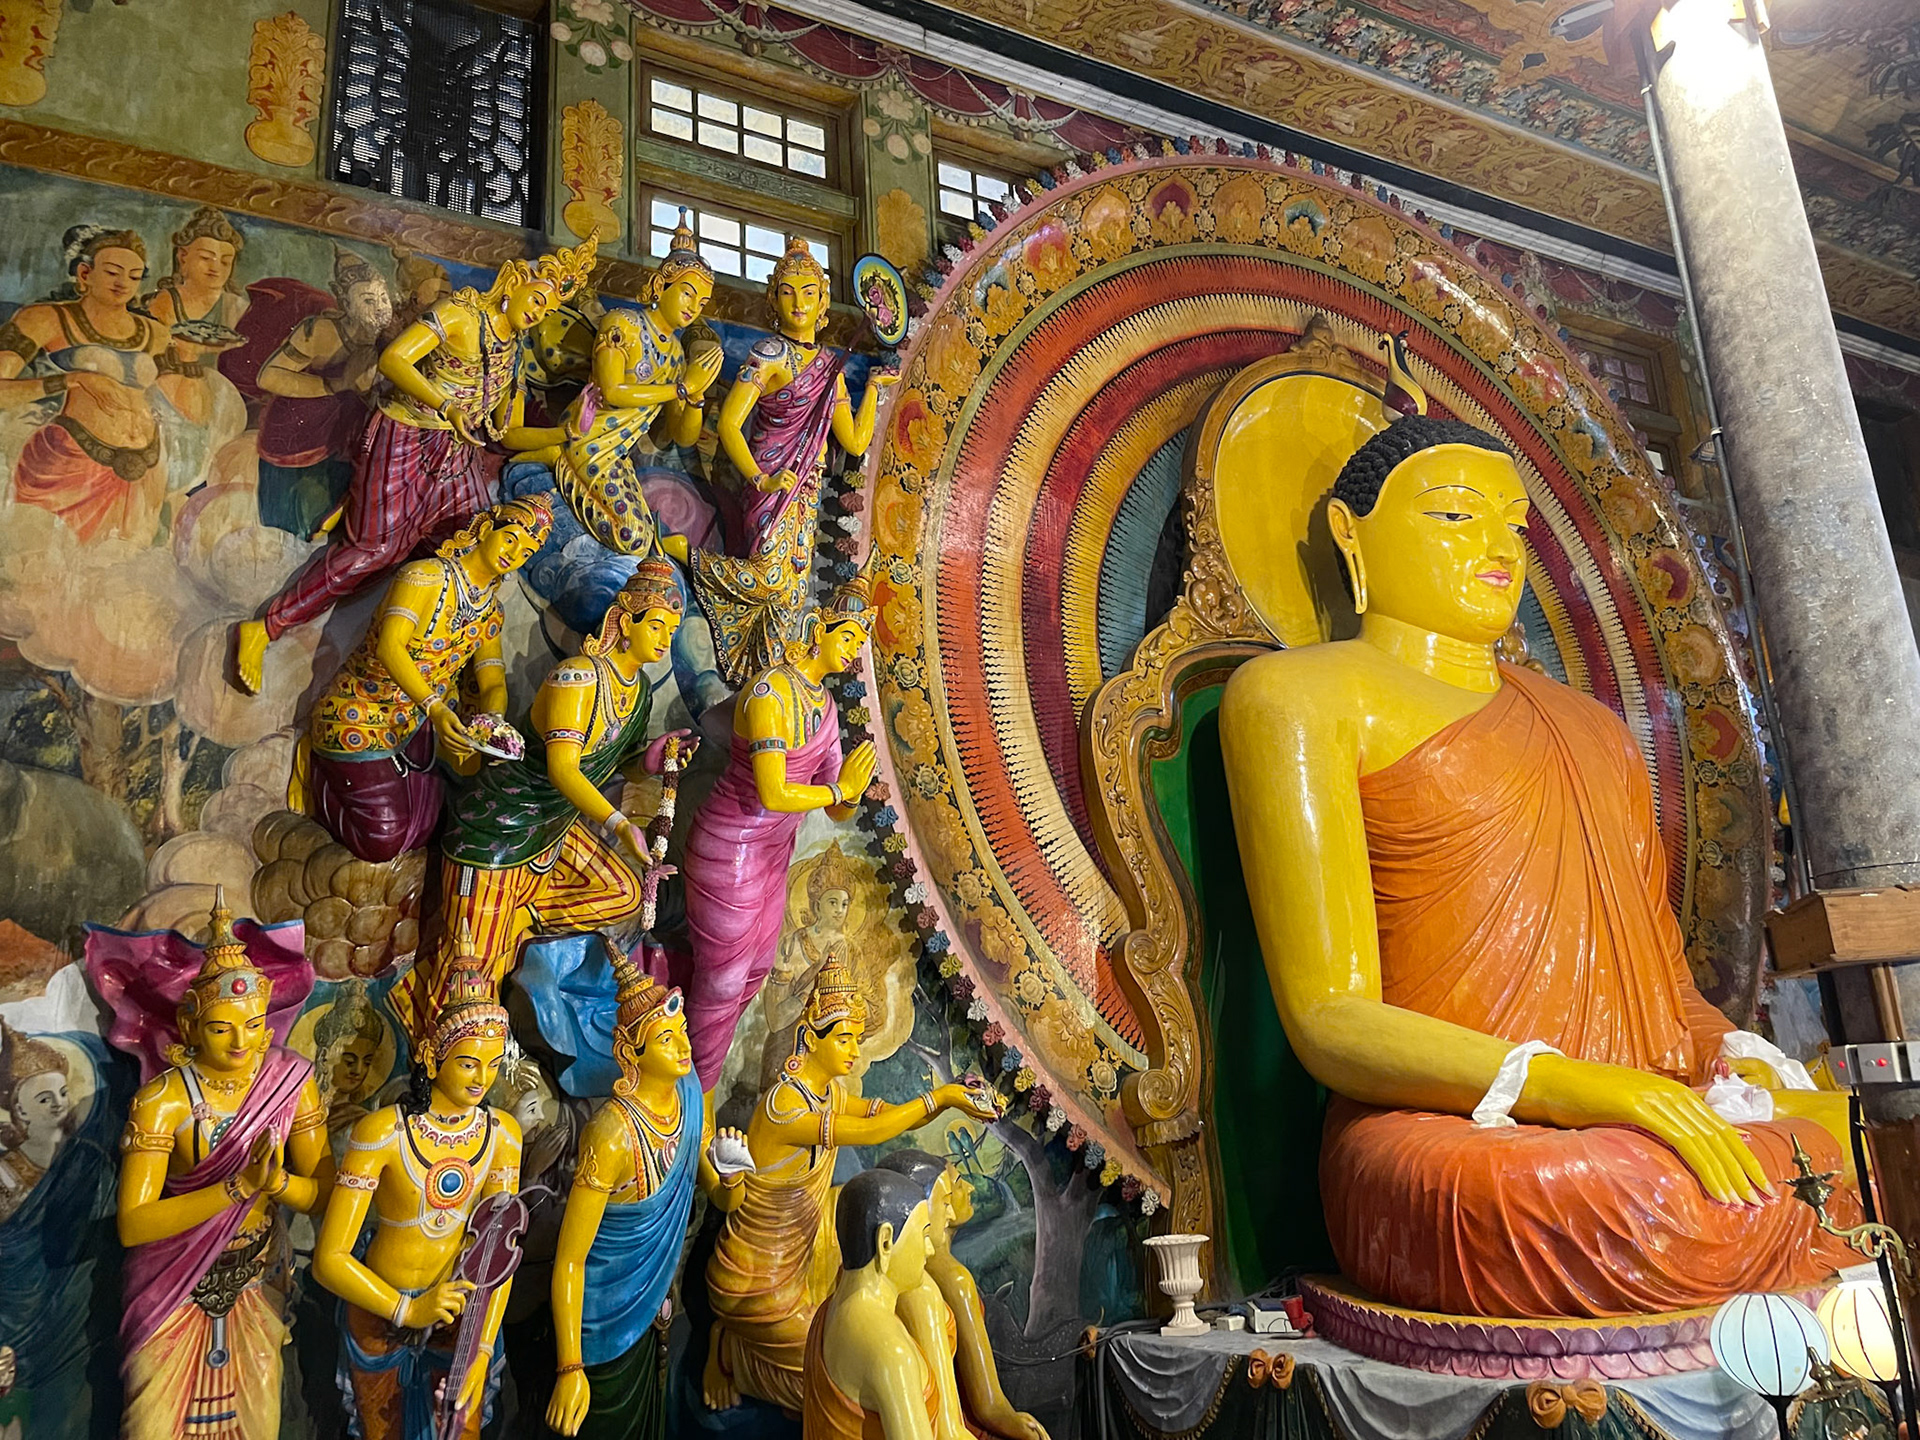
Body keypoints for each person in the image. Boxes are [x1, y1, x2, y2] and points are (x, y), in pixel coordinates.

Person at [1216, 413, 1860, 1318]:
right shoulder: (1300, 698)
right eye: (1453, 517)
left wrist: (1739, 1060)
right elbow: (1330, 1018)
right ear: (1349, 536)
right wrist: (1569, 1087)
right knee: (1610, 1194)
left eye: (1514, 525)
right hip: (1452, 1137)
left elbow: (1664, 984)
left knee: (1825, 1158)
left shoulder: (1595, 730)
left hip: (1638, 1113)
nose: (1497, 546)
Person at [235, 233, 597, 694]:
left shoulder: (514, 352)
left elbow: (507, 433)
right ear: (514, 282)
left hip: (456, 454)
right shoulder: (460, 315)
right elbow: (394, 360)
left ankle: (458, 685)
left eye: (547, 311)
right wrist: (447, 408)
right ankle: (266, 626)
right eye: (538, 298)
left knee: (470, 556)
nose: (537, 312)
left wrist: (565, 434)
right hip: (402, 435)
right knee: (374, 552)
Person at [396, 557, 690, 1037]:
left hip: (553, 828)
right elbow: (563, 769)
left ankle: (517, 921)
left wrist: (652, 760)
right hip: (499, 829)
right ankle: (431, 1065)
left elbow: (610, 764)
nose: (663, 638)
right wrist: (619, 824)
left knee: (622, 893)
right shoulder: (577, 678)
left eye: (671, 630)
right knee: (471, 973)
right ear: (624, 620)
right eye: (655, 624)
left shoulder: (638, 695)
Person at [703, 957, 997, 1414]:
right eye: (843, 1038)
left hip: (803, 1262)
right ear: (809, 1038)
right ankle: (730, 1354)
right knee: (834, 1387)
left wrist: (950, 1098)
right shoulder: (784, 1106)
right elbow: (869, 1134)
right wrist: (940, 1098)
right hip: (755, 1282)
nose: (853, 1051)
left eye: (857, 1040)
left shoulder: (828, 1093)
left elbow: (876, 1114)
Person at [114, 892, 333, 1440]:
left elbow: (326, 1195)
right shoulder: (163, 1101)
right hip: (170, 1285)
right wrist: (238, 1188)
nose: (243, 1042)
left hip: (256, 1276)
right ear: (191, 1026)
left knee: (254, 1422)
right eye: (221, 1028)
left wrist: (277, 1183)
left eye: (253, 1025)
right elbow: (133, 1223)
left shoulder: (292, 1081)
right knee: (153, 1425)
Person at [312, 951, 524, 1440]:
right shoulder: (382, 1132)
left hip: (461, 1318)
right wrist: (408, 1310)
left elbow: (497, 1251)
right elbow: (329, 1259)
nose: (481, 1079)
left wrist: (483, 1349)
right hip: (381, 1313)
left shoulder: (503, 1135)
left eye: (493, 1064)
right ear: (432, 1055)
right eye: (469, 1063)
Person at [681, 567, 878, 1091]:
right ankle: (688, 1105)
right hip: (731, 846)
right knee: (722, 981)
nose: (854, 650)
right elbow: (774, 793)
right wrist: (838, 793)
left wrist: (853, 790)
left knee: (753, 975)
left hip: (772, 854)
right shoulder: (769, 694)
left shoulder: (827, 708)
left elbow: (835, 805)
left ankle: (689, 1085)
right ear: (819, 629)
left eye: (861, 642)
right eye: (850, 636)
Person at [294, 495, 552, 863]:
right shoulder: (425, 577)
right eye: (511, 538)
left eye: (528, 550)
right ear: (485, 529)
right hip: (359, 713)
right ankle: (315, 775)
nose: (516, 552)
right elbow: (390, 647)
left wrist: (488, 723)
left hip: (415, 728)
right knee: (382, 840)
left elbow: (492, 680)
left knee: (429, 830)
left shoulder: (490, 611)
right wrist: (434, 708)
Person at [688, 235, 897, 685]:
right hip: (771, 475)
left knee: (792, 587)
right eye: (787, 292)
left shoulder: (829, 367)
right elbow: (728, 424)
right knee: (768, 576)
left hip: (807, 484)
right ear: (773, 300)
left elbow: (855, 442)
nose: (798, 303)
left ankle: (765, 675)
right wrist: (760, 480)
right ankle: (690, 558)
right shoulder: (770, 354)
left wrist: (875, 389)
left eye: (808, 292)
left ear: (823, 302)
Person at [546, 950, 738, 1439]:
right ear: (632, 1054)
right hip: (599, 1324)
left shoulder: (691, 1095)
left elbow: (715, 1196)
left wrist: (732, 1180)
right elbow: (569, 1260)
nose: (681, 1046)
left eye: (680, 1034)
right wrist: (570, 1368)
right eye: (665, 1038)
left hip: (656, 1305)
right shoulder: (610, 1134)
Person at [507, 212, 723, 557]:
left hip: (618, 456)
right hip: (586, 440)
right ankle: (555, 454)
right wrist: (681, 388)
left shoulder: (677, 357)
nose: (693, 307)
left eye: (701, 303)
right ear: (661, 285)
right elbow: (611, 392)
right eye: (687, 293)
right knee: (633, 536)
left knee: (645, 529)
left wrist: (696, 395)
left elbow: (680, 437)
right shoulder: (623, 322)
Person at [0, 226, 173, 542]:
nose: (123, 283)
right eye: (112, 272)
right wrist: (73, 379)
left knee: (126, 575)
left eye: (135, 276)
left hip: (146, 465)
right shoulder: (46, 318)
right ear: (84, 273)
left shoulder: (156, 334)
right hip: (70, 461)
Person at [876, 1152, 1048, 1440]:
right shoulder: (945, 1280)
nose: (967, 1190)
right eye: (953, 1188)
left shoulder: (898, 1276)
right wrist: (1014, 1424)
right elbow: (986, 1403)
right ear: (925, 1205)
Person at [253, 245, 395, 537]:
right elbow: (268, 376)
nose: (380, 308)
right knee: (296, 521)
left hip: (349, 438)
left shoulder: (394, 339)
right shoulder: (321, 332)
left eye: (383, 298)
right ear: (346, 302)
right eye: (368, 300)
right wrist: (335, 385)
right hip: (300, 436)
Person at [803, 1168, 940, 1440]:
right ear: (885, 1241)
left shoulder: (829, 1310)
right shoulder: (889, 1350)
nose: (930, 1250)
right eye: (924, 1235)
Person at [141, 205, 250, 491]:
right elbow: (156, 352)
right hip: (168, 386)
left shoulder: (235, 306)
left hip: (223, 393)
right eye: (206, 257)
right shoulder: (167, 301)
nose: (216, 267)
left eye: (226, 261)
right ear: (183, 257)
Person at [0, 1029, 74, 1226]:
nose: (59, 1103)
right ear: (21, 1110)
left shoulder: (86, 1156)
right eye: (44, 1099)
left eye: (63, 1093)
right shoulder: (4, 1174)